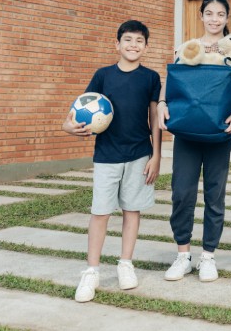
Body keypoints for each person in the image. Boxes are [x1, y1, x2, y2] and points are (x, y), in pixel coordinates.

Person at [62, 20, 162, 302]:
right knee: (101, 212)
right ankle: (91, 271)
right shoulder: (103, 75)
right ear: (116, 44)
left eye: (139, 41)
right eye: (127, 40)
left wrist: (156, 155)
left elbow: (154, 118)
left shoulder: (151, 78)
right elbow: (78, 109)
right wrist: (67, 127)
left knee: (132, 210)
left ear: (146, 47)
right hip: (106, 156)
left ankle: (125, 264)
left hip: (140, 154)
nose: (133, 45)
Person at [157, 0, 231, 283]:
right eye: (209, 13)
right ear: (201, 16)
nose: (214, 19)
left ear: (226, 18)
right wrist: (161, 105)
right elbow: (171, 81)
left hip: (219, 131)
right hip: (187, 131)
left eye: (220, 14)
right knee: (182, 193)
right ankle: (183, 254)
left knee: (214, 194)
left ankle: (208, 256)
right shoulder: (187, 47)